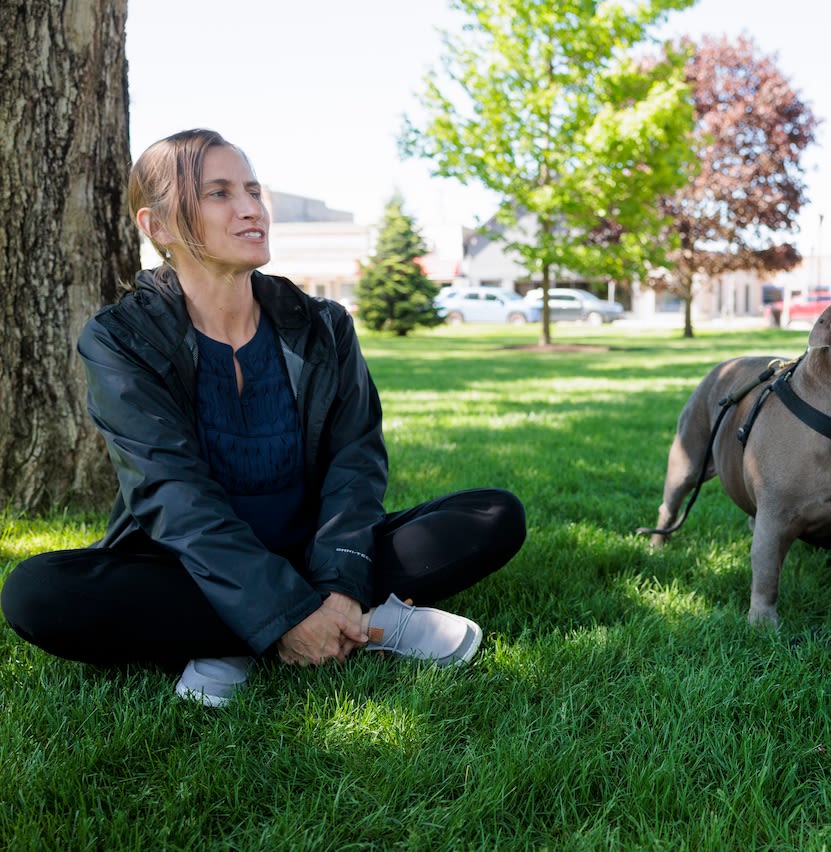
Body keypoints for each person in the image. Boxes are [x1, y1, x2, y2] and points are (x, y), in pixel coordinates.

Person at [1, 129, 526, 707]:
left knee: (492, 514)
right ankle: (366, 625)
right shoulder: (121, 338)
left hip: (312, 549)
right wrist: (285, 612)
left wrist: (339, 583)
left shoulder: (324, 325)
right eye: (219, 194)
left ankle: (258, 630)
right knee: (36, 594)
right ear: (158, 226)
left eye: (253, 190)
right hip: (189, 565)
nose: (252, 208)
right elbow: (171, 494)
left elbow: (356, 463)